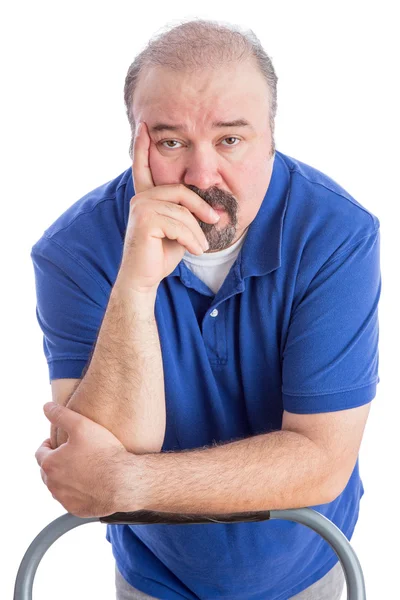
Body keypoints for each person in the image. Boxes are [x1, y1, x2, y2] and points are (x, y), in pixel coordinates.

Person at [32, 18, 381, 600]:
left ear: (272, 136)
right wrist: (135, 287)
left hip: (309, 566)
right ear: (136, 142)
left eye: (230, 140)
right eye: (170, 142)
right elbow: (91, 469)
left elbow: (321, 462)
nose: (201, 176)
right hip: (154, 578)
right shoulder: (75, 249)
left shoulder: (336, 234)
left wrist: (131, 481)